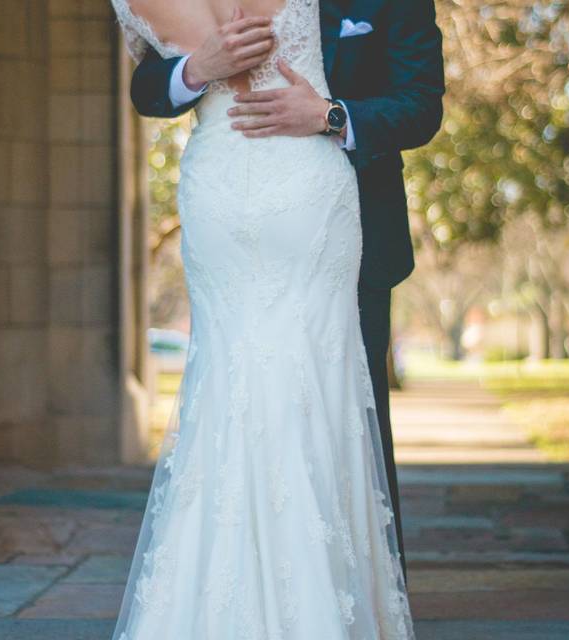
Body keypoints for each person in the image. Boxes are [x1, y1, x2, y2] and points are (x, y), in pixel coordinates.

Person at [109, 0, 444, 636]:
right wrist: (195, 70)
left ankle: (345, 605)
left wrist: (330, 115)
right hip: (227, 212)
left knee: (345, 423)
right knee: (228, 398)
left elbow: (422, 102)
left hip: (337, 227)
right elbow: (148, 86)